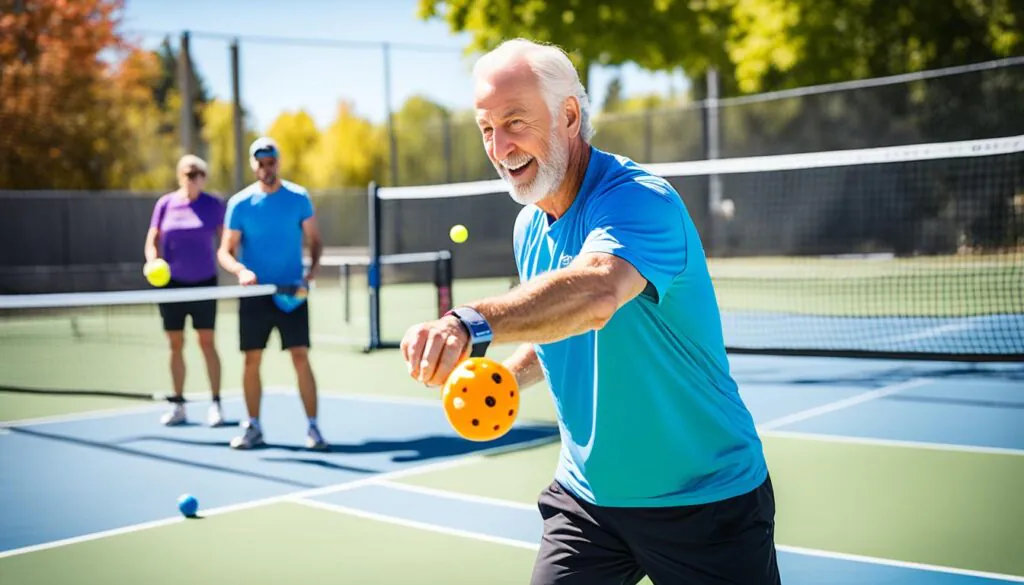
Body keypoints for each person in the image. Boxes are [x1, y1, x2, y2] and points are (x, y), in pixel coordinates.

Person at [400, 39, 780, 585]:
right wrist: (505, 376)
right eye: (487, 129)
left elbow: (597, 294)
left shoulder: (639, 200)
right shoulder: (529, 224)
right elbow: (562, 324)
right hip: (588, 503)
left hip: (705, 502)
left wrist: (470, 321)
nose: (500, 147)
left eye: (514, 122)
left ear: (570, 115)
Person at [217, 137, 326, 451]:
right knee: (251, 360)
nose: (266, 168)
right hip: (255, 295)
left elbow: (315, 241)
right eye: (260, 163)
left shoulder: (298, 197)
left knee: (300, 356)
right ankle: (253, 427)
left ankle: (314, 428)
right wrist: (241, 271)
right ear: (254, 165)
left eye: (271, 162)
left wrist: (311, 272)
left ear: (278, 162)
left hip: (293, 293)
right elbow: (225, 251)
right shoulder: (239, 204)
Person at [144, 154, 226, 427]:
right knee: (175, 343)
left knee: (206, 342)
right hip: (172, 286)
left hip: (204, 283)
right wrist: (152, 260)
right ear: (179, 175)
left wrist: (238, 265)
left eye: (197, 173)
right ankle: (178, 404)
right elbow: (153, 238)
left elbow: (227, 240)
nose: (192, 178)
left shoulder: (214, 205)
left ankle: (216, 403)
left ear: (204, 177)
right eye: (187, 173)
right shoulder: (165, 204)